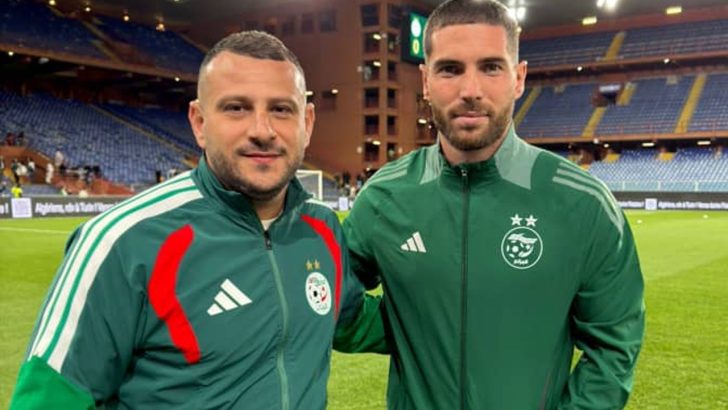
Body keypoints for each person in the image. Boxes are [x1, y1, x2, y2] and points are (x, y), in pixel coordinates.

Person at [10, 30, 385, 410]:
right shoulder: (121, 243)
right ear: (200, 122)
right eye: (236, 108)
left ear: (307, 122)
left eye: (281, 109)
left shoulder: (322, 228)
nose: (262, 130)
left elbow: (350, 320)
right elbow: (49, 400)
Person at [343, 1, 645, 409]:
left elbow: (613, 351)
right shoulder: (384, 197)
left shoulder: (584, 206)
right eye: (450, 69)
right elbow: (326, 301)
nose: (471, 90)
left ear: (519, 78)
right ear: (426, 81)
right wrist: (405, 326)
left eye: (491, 67)